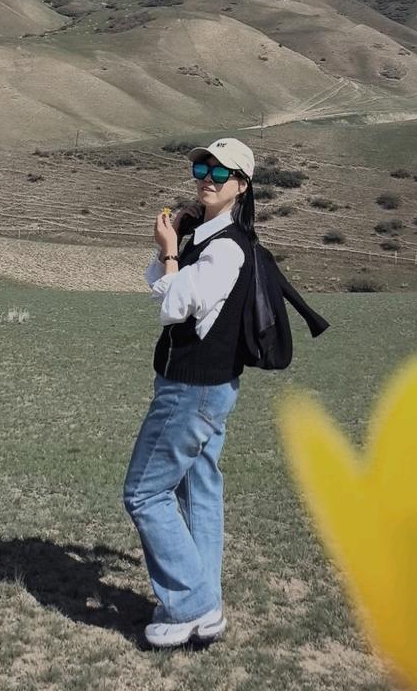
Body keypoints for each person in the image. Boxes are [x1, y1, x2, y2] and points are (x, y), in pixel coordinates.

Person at [122, 136, 258, 648]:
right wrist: (172, 247)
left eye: (220, 173)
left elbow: (177, 305)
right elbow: (156, 281)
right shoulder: (211, 236)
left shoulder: (225, 248)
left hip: (191, 390)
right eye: (202, 166)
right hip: (209, 388)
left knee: (144, 493)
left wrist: (171, 253)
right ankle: (207, 603)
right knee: (200, 490)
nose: (206, 176)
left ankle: (189, 605)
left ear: (241, 186)